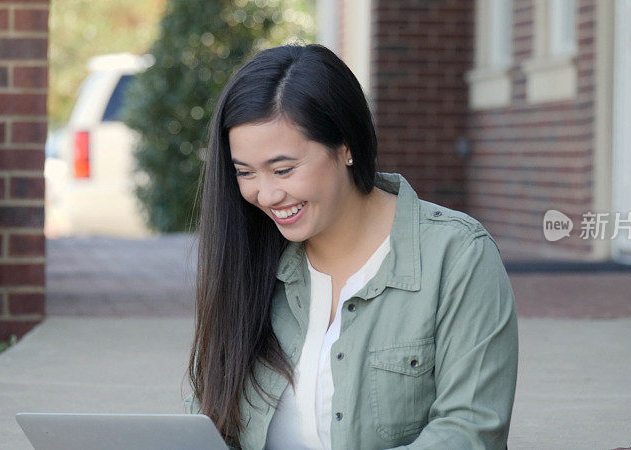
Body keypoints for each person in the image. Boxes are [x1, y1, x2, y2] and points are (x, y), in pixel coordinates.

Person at [184, 43, 518, 450]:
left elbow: (470, 431)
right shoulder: (247, 257)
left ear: (345, 146)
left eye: (284, 169)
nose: (266, 194)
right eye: (245, 172)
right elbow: (205, 422)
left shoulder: (457, 254)